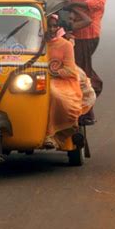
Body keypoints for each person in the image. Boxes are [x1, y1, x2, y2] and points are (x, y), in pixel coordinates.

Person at [66, 0, 107, 125]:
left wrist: (77, 4)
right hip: (78, 31)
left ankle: (88, 112)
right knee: (82, 69)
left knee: (83, 73)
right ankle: (89, 98)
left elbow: (98, 2)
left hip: (88, 31)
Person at [44, 15, 83, 149]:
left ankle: (52, 135)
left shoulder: (66, 45)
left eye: (55, 25)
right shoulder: (35, 43)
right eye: (49, 25)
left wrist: (52, 72)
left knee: (54, 95)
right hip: (37, 80)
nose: (52, 28)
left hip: (63, 82)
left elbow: (70, 70)